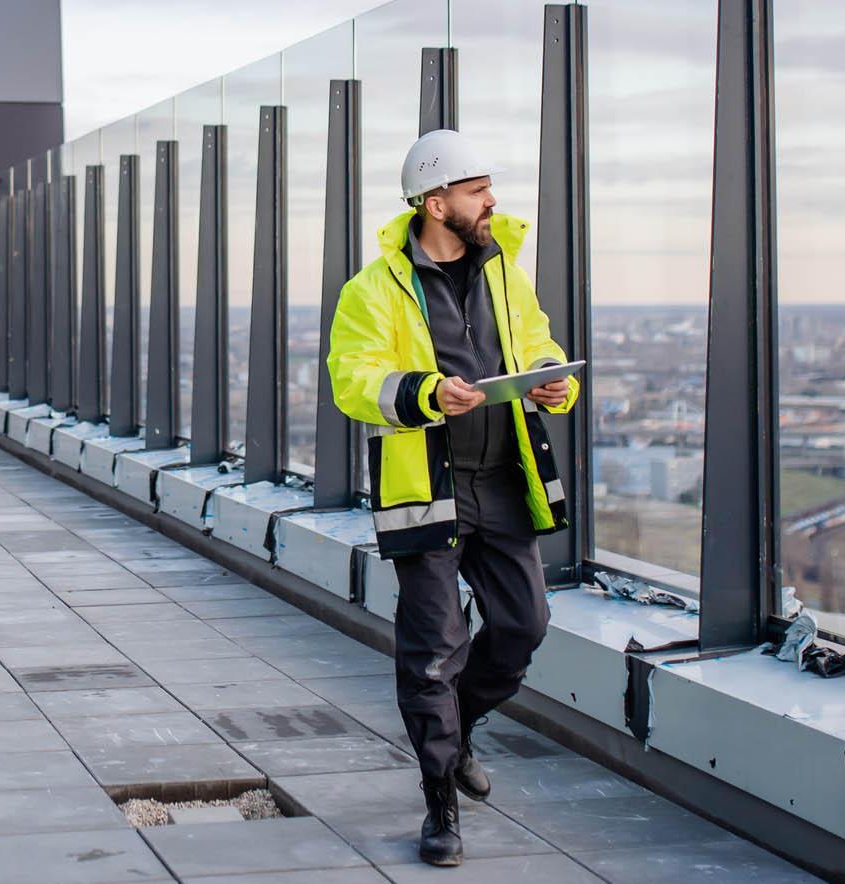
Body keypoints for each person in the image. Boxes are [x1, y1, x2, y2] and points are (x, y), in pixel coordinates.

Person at [326, 129, 578, 867]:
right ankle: (440, 805)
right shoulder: (371, 289)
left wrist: (553, 378)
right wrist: (428, 392)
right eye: (476, 191)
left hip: (503, 480)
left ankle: (457, 733)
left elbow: (535, 343)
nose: (491, 201)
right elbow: (353, 380)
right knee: (432, 655)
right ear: (436, 203)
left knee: (522, 627)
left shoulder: (505, 273)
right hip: (425, 492)